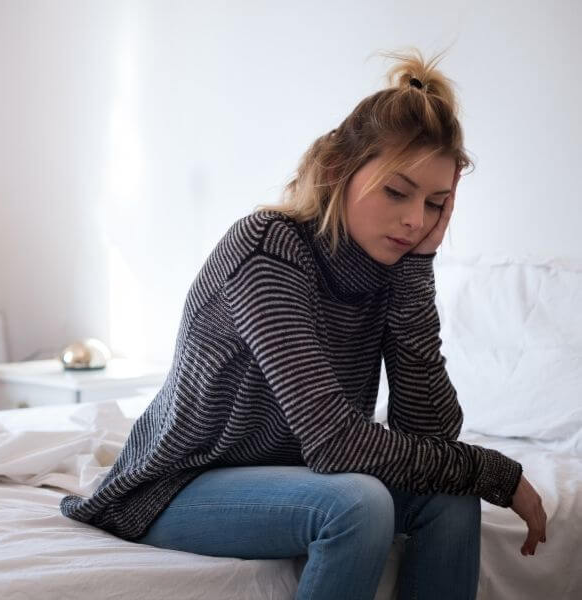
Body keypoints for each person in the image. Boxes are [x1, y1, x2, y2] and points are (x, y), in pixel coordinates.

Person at [60, 47, 547, 600]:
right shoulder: (267, 249)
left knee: (452, 499)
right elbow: (335, 445)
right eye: (396, 191)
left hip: (297, 481)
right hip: (176, 486)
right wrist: (495, 471)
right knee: (358, 504)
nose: (415, 220)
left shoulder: (393, 271)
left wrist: (416, 272)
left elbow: (429, 437)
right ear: (340, 170)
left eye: (436, 204)